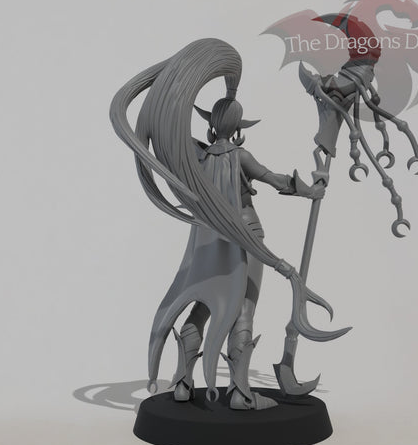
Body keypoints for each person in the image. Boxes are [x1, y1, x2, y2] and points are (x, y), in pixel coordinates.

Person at [109, 38, 350, 411]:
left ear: (212, 124)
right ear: (238, 126)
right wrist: (311, 190)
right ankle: (240, 393)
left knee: (202, 304)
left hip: (208, 239)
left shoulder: (196, 158)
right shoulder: (241, 156)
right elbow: (275, 179)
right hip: (247, 237)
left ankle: (182, 383)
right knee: (243, 307)